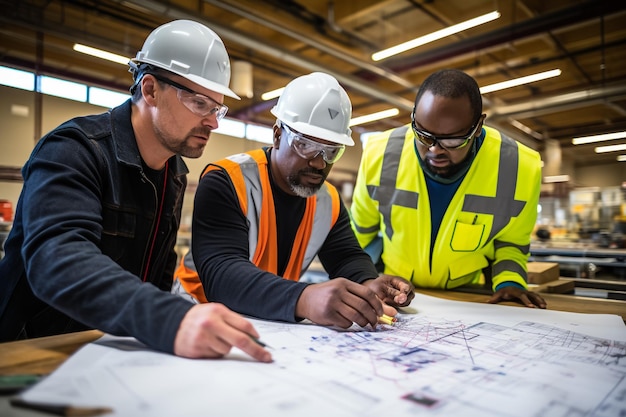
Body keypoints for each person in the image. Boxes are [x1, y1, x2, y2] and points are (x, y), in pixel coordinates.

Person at [0, 20, 271, 362]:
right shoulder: (73, 150)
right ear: (150, 90)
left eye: (217, 108)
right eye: (200, 103)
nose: (214, 122)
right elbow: (58, 260)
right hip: (30, 353)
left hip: (113, 351)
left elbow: (158, 275)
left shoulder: (173, 174)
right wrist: (169, 319)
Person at [173, 72, 414, 329]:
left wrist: (368, 284)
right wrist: (304, 298)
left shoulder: (328, 200)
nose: (319, 162)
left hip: (269, 321)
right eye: (306, 145)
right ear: (277, 135)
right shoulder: (227, 181)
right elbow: (222, 275)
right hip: (198, 314)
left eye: (332, 151)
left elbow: (345, 257)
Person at [350, 69, 547, 309]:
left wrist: (510, 282)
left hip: (466, 298)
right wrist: (363, 279)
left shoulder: (518, 167)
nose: (434, 150)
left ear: (477, 127)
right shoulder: (379, 154)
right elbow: (359, 235)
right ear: (413, 118)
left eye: (452, 141)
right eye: (423, 135)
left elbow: (511, 243)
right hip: (396, 295)